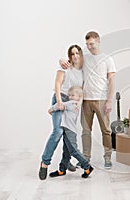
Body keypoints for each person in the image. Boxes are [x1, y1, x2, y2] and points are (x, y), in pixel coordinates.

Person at [60, 31, 116, 169]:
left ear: (98, 41)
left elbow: (111, 81)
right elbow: (71, 61)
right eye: (87, 44)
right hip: (86, 101)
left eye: (91, 44)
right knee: (86, 131)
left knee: (106, 131)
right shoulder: (85, 59)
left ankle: (107, 157)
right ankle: (86, 158)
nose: (89, 47)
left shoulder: (107, 59)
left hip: (102, 99)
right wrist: (61, 61)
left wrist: (109, 101)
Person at [39, 44, 84, 180]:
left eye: (77, 53)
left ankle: (66, 161)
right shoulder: (64, 66)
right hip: (61, 99)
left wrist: (79, 103)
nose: (75, 56)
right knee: (58, 132)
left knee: (68, 134)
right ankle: (45, 163)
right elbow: (57, 84)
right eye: (72, 54)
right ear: (69, 56)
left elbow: (82, 89)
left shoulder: (82, 70)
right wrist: (58, 101)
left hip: (72, 104)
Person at [48, 86, 94, 178]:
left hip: (69, 131)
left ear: (79, 97)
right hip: (67, 129)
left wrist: (51, 109)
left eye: (73, 95)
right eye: (69, 95)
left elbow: (60, 106)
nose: (70, 97)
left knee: (73, 150)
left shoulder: (72, 103)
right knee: (66, 152)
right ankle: (62, 170)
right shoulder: (76, 103)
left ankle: (87, 166)